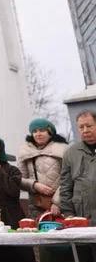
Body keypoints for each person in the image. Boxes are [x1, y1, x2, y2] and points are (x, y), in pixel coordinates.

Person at [60, 110, 96, 261]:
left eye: (89, 126)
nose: (85, 130)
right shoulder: (71, 153)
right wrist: (68, 215)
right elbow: (65, 186)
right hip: (82, 217)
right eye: (81, 127)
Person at [18, 118, 68, 218]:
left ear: (50, 132)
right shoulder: (25, 151)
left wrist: (57, 202)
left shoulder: (63, 149)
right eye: (35, 131)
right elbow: (19, 179)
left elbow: (68, 178)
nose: (38, 134)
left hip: (61, 204)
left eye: (42, 130)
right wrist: (34, 185)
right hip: (36, 205)